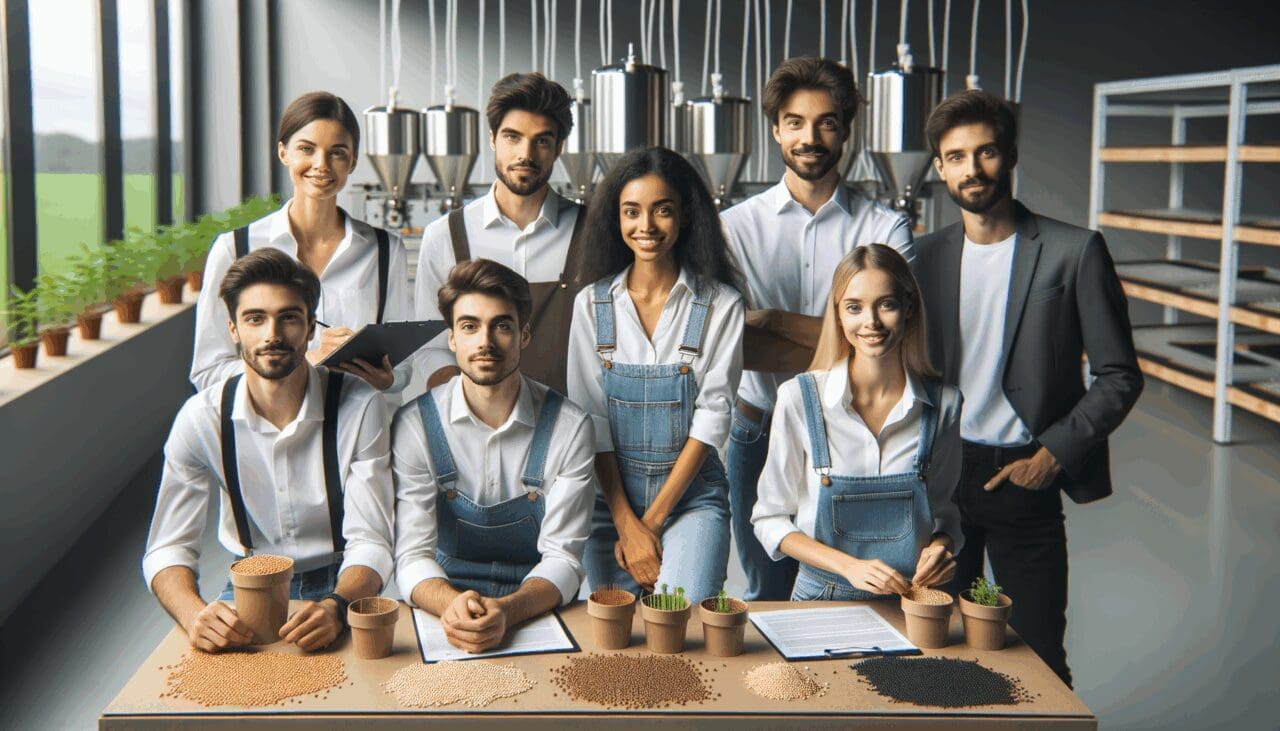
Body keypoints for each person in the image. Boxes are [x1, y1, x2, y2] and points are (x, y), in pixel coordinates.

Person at [913, 90, 1144, 686]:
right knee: (937, 651)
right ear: (939, 168)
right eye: (956, 157)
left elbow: (1120, 374)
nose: (972, 169)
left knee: (1040, 658)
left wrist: (1052, 457)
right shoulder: (924, 257)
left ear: (1010, 155)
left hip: (1024, 473)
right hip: (942, 479)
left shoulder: (1075, 250)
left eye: (986, 152)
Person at [720, 57, 914, 601]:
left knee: (857, 593)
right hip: (757, 431)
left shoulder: (886, 225)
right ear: (776, 130)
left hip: (856, 429)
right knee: (767, 592)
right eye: (795, 122)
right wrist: (853, 334)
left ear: (846, 131)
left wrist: (775, 321)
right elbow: (735, 345)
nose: (810, 137)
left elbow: (896, 336)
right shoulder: (732, 228)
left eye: (826, 123)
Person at [144, 249, 395, 653]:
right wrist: (194, 615)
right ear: (232, 329)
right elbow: (167, 547)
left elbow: (372, 541)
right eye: (255, 318)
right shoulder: (201, 418)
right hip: (247, 582)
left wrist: (337, 606)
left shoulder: (361, 405)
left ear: (311, 328)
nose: (272, 335)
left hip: (343, 582)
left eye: (288, 318)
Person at [567, 146, 744, 603]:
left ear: (685, 215)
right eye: (632, 211)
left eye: (662, 210)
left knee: (680, 614)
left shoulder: (721, 305)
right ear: (616, 219)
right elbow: (591, 422)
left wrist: (651, 523)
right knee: (617, 630)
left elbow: (712, 419)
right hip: (610, 505)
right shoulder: (591, 304)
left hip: (691, 500)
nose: (646, 226)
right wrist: (627, 524)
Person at [393, 259, 595, 654]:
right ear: (452, 339)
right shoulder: (415, 424)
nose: (485, 342)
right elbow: (412, 555)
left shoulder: (570, 427)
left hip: (533, 606)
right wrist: (453, 606)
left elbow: (564, 559)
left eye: (501, 326)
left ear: (524, 335)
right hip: (443, 606)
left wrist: (508, 610)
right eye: (469, 327)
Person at [752, 245, 962, 600]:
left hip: (910, 601)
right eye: (854, 307)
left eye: (887, 304)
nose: (871, 322)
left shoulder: (944, 405)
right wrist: (849, 567)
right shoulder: (799, 399)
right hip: (820, 599)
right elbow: (769, 519)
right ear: (838, 314)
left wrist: (941, 549)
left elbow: (945, 517)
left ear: (909, 308)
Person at [190, 91, 413, 396]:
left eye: (337, 152)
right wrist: (305, 363)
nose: (321, 164)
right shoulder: (235, 248)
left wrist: (387, 379)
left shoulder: (386, 250)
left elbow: (402, 372)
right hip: (270, 426)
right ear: (283, 153)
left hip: (361, 422)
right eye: (307, 149)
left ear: (352, 161)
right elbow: (208, 372)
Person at [416, 72, 586, 394]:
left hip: (572, 420)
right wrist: (464, 410)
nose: (526, 154)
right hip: (473, 422)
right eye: (512, 137)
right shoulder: (445, 236)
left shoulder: (591, 231)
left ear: (559, 147)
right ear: (493, 138)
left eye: (542, 141)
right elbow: (432, 347)